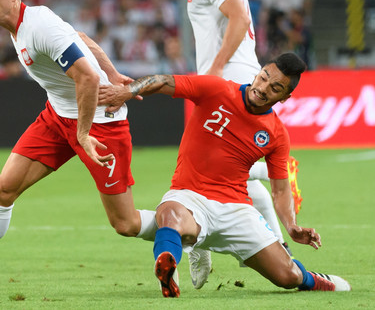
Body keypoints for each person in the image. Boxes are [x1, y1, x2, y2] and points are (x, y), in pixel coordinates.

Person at [0, 0, 157, 296]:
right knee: (2, 190)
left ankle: (187, 231)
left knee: (125, 224)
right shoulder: (21, 25)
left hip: (100, 124)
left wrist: (82, 132)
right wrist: (114, 70)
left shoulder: (39, 27)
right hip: (57, 117)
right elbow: (80, 38)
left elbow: (88, 78)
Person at [98, 52, 351, 297]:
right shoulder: (217, 89)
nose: (263, 88)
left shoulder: (276, 134)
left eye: (275, 88)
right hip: (190, 197)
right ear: (258, 72)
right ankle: (168, 268)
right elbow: (164, 81)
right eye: (263, 77)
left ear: (285, 97)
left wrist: (291, 226)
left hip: (237, 210)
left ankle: (314, 279)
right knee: (170, 214)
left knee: (288, 277)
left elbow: (281, 189)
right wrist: (127, 92)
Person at [167, 0, 303, 289]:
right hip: (232, 78)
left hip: (236, 82)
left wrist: (215, 70)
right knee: (241, 181)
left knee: (214, 166)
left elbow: (241, 18)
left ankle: (200, 244)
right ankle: (277, 248)